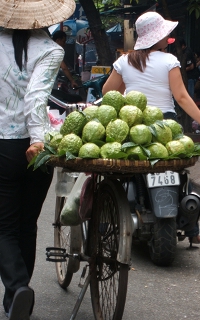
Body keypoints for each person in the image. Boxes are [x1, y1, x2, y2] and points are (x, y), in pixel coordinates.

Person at [102, 11, 200, 245]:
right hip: (165, 126)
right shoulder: (169, 61)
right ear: (157, 37)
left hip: (135, 125)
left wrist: (127, 100)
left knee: (129, 170)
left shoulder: (124, 61)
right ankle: (192, 230)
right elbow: (182, 97)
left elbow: (108, 93)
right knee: (178, 172)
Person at [0, 0, 75, 318]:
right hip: (37, 147)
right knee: (26, 224)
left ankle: (18, 288)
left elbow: (31, 96)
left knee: (4, 226)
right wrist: (38, 139)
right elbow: (36, 96)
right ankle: (16, 297)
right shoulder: (50, 49)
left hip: (4, 145)